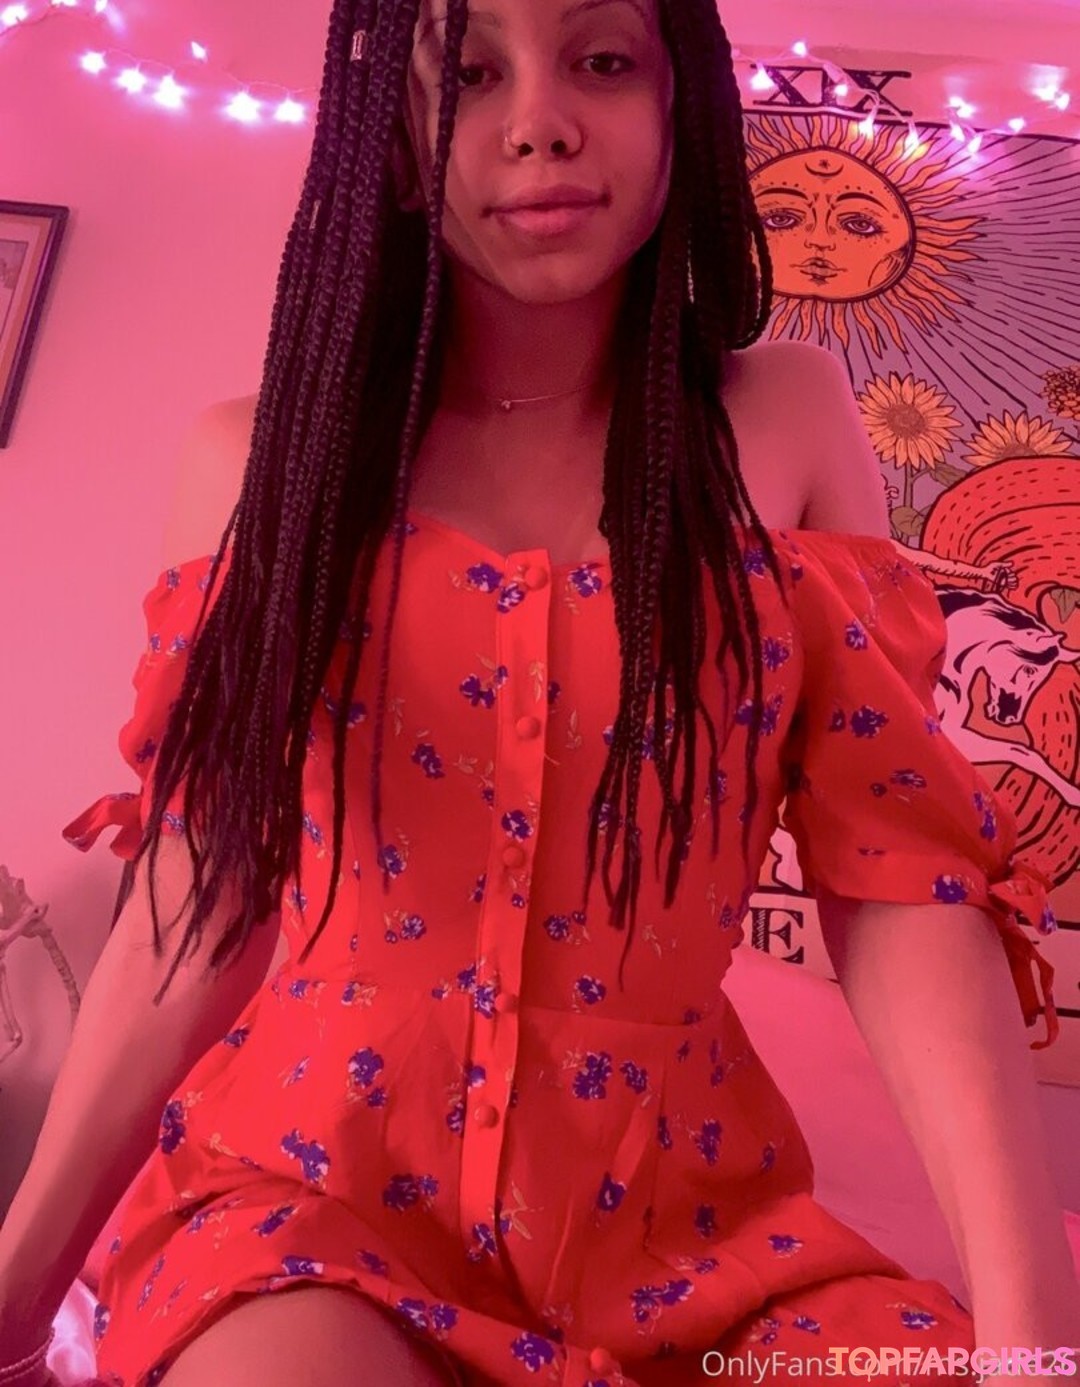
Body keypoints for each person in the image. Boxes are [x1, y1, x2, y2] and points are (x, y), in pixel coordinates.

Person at [1, 0, 1077, 1383]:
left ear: (680, 103)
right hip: (306, 1203)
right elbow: (204, 877)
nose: (538, 123)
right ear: (395, 136)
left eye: (601, 61)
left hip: (692, 1231)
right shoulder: (258, 460)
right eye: (470, 72)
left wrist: (1033, 1336)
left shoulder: (787, 422)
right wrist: (20, 1282)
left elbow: (896, 879)